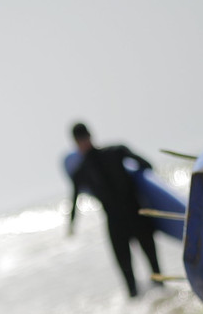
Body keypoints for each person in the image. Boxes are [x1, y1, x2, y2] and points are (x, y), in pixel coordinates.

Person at [66, 122, 162, 297]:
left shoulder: (80, 172)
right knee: (156, 275)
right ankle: (162, 307)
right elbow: (147, 166)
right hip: (137, 215)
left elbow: (74, 202)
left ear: (75, 143)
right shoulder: (117, 151)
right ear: (90, 135)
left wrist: (71, 227)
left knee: (132, 287)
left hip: (117, 224)